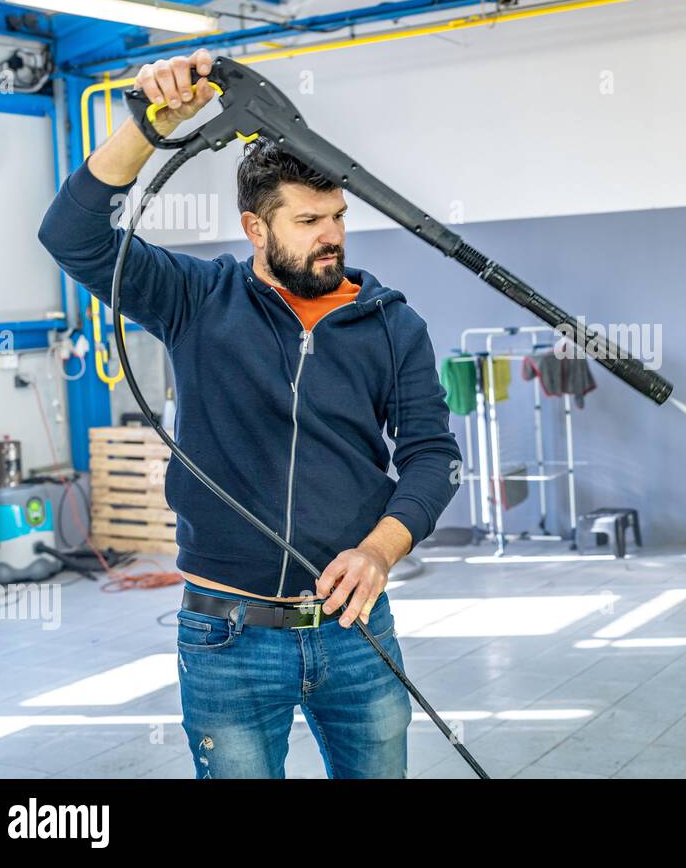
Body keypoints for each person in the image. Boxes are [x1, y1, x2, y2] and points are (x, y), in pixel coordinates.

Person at [37, 48, 462, 778]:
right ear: (255, 229)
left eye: (336, 216)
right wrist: (150, 126)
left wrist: (380, 551)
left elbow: (433, 454)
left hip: (353, 628)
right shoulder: (194, 298)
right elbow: (72, 238)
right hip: (224, 635)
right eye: (306, 221)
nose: (330, 236)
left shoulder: (393, 325)